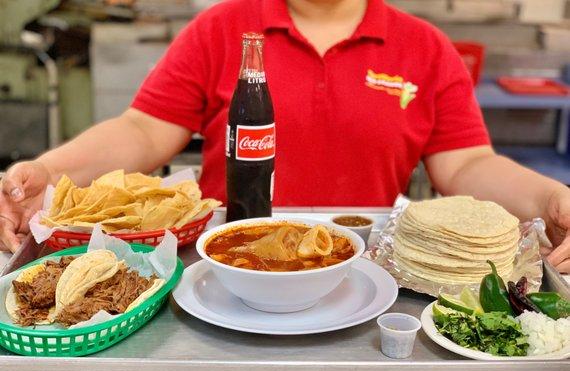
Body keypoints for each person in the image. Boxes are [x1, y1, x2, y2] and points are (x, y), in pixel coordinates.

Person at [0, 0, 569, 272]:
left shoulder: (423, 46)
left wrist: (549, 200)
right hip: (223, 261)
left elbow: (466, 165)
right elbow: (143, 130)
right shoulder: (221, 29)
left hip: (363, 265)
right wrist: (48, 174)